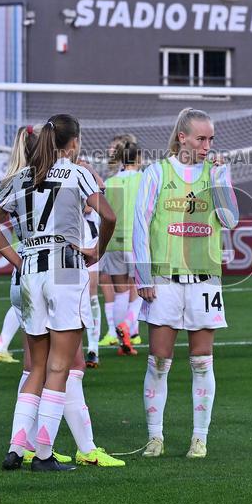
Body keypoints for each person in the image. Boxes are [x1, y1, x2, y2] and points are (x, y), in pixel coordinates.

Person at [0, 114, 116, 472]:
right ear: (73, 143)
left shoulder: (20, 177)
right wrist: (96, 252)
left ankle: (16, 448)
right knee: (61, 367)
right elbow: (109, 216)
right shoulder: (76, 171)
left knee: (35, 367)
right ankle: (43, 455)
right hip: (65, 267)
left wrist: (15, 258)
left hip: (29, 271)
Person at [133, 108, 239, 460]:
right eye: (201, 138)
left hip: (205, 281)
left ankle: (199, 438)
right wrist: (144, 275)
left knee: (202, 362)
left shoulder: (216, 173)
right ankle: (155, 437)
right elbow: (140, 226)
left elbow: (229, 220)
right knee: (158, 361)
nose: (207, 145)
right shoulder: (157, 172)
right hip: (164, 280)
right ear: (182, 138)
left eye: (211, 139)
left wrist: (222, 179)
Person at [0, 125, 39, 364]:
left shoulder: (14, 181)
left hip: (23, 269)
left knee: (34, 363)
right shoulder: (61, 178)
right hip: (55, 270)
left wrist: (18, 261)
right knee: (68, 362)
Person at [100, 138, 144, 363]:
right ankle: (128, 324)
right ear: (138, 159)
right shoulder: (144, 179)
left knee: (120, 292)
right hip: (137, 243)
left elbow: (106, 214)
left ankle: (121, 340)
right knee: (143, 289)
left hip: (115, 244)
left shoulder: (111, 182)